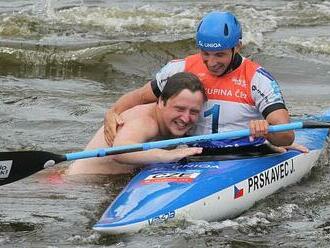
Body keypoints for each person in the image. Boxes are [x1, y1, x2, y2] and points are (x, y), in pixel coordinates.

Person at [104, 11, 297, 150]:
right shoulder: (179, 68)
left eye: (219, 55)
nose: (211, 63)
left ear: (237, 47)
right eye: (205, 53)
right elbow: (139, 97)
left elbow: (286, 135)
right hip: (192, 152)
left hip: (241, 154)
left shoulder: (258, 79)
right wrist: (113, 112)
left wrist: (267, 131)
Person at [66, 72, 207, 175]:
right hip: (78, 185)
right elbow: (119, 152)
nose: (186, 118)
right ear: (161, 102)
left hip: (112, 181)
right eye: (179, 109)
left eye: (194, 112)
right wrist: (166, 155)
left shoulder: (170, 122)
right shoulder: (145, 121)